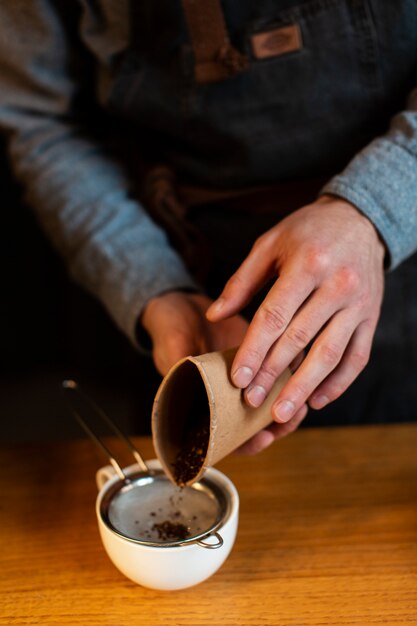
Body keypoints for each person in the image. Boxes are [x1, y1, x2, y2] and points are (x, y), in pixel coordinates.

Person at [0, 1, 416, 452]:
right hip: (184, 271)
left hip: (398, 263)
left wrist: (374, 209)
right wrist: (154, 287)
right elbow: (43, 123)